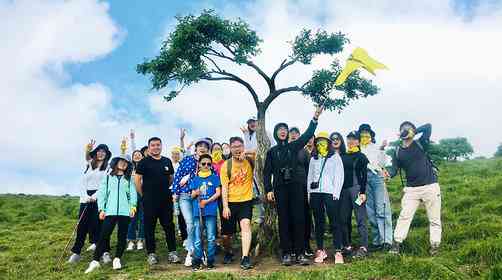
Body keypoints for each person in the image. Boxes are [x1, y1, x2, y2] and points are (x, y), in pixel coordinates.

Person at [264, 107, 323, 266]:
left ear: (288, 133)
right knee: (284, 220)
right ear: (276, 133)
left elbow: (307, 135)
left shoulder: (294, 146)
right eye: (280, 130)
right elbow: (266, 172)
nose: (283, 132)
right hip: (280, 188)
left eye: (285, 129)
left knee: (299, 218)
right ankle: (287, 253)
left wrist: (315, 118)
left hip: (296, 187)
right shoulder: (272, 152)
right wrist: (268, 189)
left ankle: (300, 252)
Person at [388, 122, 441, 256]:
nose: (406, 131)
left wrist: (414, 131)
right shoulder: (398, 151)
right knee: (404, 216)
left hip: (430, 185)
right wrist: (388, 174)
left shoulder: (421, 142)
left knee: (434, 218)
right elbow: (394, 170)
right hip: (411, 189)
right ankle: (397, 244)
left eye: (408, 128)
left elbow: (429, 126)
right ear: (399, 133)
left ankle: (434, 246)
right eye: (403, 129)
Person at [85, 155, 137, 273]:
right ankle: (95, 261)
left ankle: (117, 258)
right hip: (110, 212)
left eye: (126, 162)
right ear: (116, 162)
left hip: (125, 212)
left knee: (122, 236)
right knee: (104, 235)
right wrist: (101, 209)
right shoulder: (108, 178)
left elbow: (133, 195)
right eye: (121, 161)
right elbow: (102, 195)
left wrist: (133, 207)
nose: (123, 164)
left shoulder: (129, 180)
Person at [134, 137, 179, 265]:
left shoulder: (167, 161)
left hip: (165, 200)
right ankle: (151, 254)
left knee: (169, 226)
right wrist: (143, 195)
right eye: (153, 145)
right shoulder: (144, 162)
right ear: (149, 147)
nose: (155, 147)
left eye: (158, 145)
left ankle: (172, 252)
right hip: (149, 201)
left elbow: (171, 178)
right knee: (149, 228)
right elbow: (137, 180)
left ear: (161, 146)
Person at [68, 141, 111, 264]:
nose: (101, 153)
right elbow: (82, 183)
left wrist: (96, 196)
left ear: (107, 154)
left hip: (100, 199)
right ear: (95, 153)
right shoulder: (89, 165)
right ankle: (76, 252)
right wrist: (86, 196)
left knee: (100, 226)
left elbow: (105, 185)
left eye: (104, 152)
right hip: (85, 199)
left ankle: (104, 251)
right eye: (99, 151)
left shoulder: (108, 167)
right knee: (82, 226)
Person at [172, 138, 212, 267]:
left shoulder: (208, 162)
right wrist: (175, 192)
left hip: (200, 197)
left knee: (199, 225)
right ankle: (191, 252)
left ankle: (199, 252)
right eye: (200, 145)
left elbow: (212, 177)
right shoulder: (187, 160)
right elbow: (178, 175)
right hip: (185, 196)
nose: (202, 147)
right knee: (190, 224)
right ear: (196, 148)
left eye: (205, 146)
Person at [307, 132, 345, 264]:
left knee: (335, 221)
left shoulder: (335, 157)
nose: (320, 143)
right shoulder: (313, 158)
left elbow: (339, 176)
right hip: (316, 193)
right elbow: (310, 177)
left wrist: (336, 193)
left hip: (330, 193)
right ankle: (320, 249)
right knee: (319, 222)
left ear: (328, 143)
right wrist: (309, 193)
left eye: (323, 141)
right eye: (319, 141)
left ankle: (338, 251)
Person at [357, 124, 393, 252]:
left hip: (376, 177)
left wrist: (382, 149)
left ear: (371, 135)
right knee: (370, 211)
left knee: (382, 208)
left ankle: (387, 241)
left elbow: (382, 163)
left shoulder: (376, 148)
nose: (365, 135)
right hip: (363, 179)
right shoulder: (357, 148)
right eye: (362, 133)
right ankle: (377, 241)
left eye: (367, 133)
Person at [220, 137, 255, 270]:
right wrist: (225, 206)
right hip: (230, 202)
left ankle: (245, 257)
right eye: (234, 146)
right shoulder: (226, 165)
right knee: (226, 235)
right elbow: (224, 187)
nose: (237, 149)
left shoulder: (250, 161)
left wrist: (248, 154)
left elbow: (259, 151)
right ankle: (228, 251)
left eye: (240, 146)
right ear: (230, 148)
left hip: (246, 201)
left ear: (243, 146)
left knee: (245, 225)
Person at [339, 131, 370, 259]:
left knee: (361, 218)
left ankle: (363, 247)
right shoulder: (343, 155)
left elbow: (364, 176)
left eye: (353, 139)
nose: (350, 142)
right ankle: (347, 246)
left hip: (356, 189)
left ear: (358, 141)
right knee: (344, 219)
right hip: (344, 191)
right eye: (349, 139)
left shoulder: (361, 156)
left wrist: (363, 192)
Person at [189, 154, 222, 270]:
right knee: (198, 238)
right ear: (199, 164)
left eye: (209, 164)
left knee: (211, 237)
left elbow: (218, 193)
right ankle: (197, 260)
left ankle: (210, 260)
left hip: (210, 211)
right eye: (204, 163)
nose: (206, 166)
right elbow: (191, 195)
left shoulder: (214, 177)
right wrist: (196, 193)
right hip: (197, 212)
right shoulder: (195, 179)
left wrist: (206, 202)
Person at [289, 127, 314, 257]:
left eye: (296, 134)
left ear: (299, 136)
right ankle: (293, 246)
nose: (293, 135)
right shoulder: (285, 151)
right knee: (292, 218)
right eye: (291, 133)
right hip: (290, 190)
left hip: (304, 188)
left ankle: (306, 245)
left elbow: (310, 171)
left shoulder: (304, 152)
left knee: (305, 217)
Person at [126, 130, 145, 252]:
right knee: (132, 218)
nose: (137, 155)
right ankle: (131, 240)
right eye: (135, 154)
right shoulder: (130, 169)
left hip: (143, 195)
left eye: (139, 154)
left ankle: (140, 240)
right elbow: (132, 150)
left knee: (143, 218)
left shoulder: (145, 167)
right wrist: (132, 139)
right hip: (132, 197)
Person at [171, 146, 188, 248]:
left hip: (181, 192)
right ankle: (173, 236)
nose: (175, 156)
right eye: (174, 154)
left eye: (177, 154)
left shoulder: (182, 164)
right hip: (170, 191)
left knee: (181, 215)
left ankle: (185, 237)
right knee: (171, 215)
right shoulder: (169, 164)